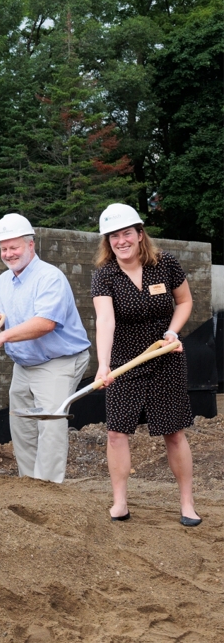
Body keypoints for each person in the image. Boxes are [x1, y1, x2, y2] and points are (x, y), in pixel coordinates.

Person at [91, 203, 200, 525]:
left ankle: (187, 503)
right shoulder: (105, 276)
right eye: (114, 236)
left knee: (175, 432)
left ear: (140, 235)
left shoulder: (165, 264)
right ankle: (120, 503)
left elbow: (185, 301)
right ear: (107, 242)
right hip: (124, 362)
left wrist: (172, 331)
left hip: (165, 357)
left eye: (127, 233)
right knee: (116, 433)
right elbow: (105, 322)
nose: (121, 241)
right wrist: (103, 365)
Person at [0, 214, 90, 483]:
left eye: (14, 247)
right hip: (25, 364)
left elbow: (44, 323)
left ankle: (48, 491)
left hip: (58, 361)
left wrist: (2, 338)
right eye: (4, 248)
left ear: (31, 245)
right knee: (22, 426)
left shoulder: (50, 277)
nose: (8, 253)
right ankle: (29, 485)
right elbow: (10, 314)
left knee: (50, 425)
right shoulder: (4, 281)